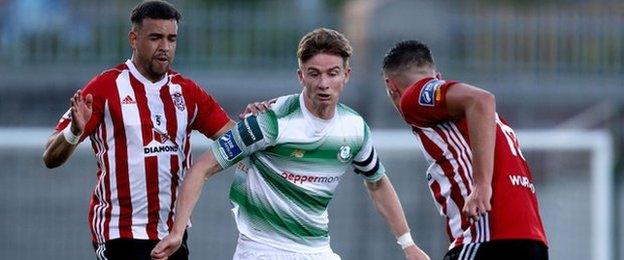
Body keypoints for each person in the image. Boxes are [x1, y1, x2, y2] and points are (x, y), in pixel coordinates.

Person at [151, 28, 430, 260]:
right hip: (263, 249)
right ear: (301, 77)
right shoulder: (270, 121)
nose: (323, 83)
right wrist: (177, 232)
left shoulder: (354, 128)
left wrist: (407, 243)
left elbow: (377, 181)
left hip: (317, 250)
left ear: (346, 76)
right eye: (314, 74)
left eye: (332, 73)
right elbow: (202, 168)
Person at [42, 1, 234, 259]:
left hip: (172, 235)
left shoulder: (186, 92)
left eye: (171, 39)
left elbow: (235, 137)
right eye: (155, 37)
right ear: (134, 39)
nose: (164, 47)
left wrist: (264, 119)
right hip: (120, 234)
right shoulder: (105, 88)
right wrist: (74, 131)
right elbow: (50, 158)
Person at [380, 40, 548, 259]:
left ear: (391, 85)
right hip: (532, 239)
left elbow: (481, 99)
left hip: (487, 236)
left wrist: (481, 185)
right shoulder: (491, 124)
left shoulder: (413, 96)